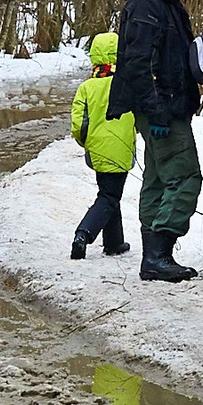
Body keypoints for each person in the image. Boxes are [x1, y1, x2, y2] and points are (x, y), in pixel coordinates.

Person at [112, 0, 203, 283]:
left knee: (157, 177)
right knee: (185, 177)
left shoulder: (165, 3)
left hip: (166, 105)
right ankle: (159, 253)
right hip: (161, 108)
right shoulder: (147, 3)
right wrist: (157, 113)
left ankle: (153, 257)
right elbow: (136, 64)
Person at [68, 31, 134, 260]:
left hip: (96, 150)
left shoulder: (87, 87)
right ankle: (83, 234)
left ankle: (114, 242)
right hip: (122, 148)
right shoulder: (127, 83)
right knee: (109, 196)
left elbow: (78, 124)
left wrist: (86, 142)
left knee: (108, 193)